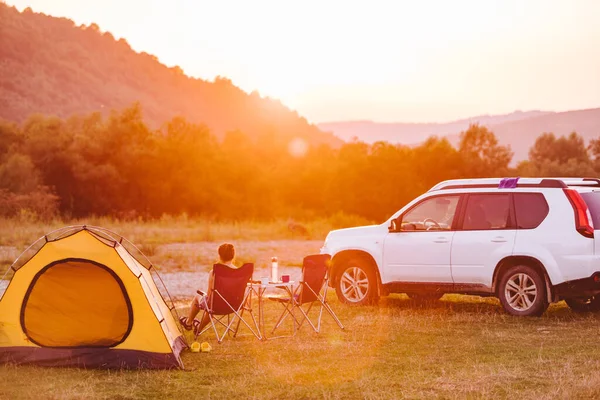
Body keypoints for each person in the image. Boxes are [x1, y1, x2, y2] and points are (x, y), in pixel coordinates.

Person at [179, 243, 237, 334]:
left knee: (200, 297)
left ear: (220, 256)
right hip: (234, 305)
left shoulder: (214, 272)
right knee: (211, 305)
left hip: (216, 306)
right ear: (233, 256)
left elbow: (210, 295)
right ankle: (198, 328)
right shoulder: (238, 272)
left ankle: (188, 323)